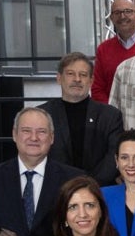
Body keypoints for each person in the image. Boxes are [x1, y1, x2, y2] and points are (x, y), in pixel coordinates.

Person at [0, 107, 83, 236]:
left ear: (52, 137)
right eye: (26, 131)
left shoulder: (74, 179)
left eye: (42, 132)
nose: (34, 138)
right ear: (14, 135)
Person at [39, 52, 123, 185]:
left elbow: (114, 157)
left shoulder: (111, 116)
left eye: (83, 75)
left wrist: (89, 186)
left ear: (91, 81)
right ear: (59, 78)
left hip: (100, 191)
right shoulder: (41, 115)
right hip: (55, 191)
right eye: (70, 74)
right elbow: (37, 154)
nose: (77, 79)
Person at [91, 0, 135, 104]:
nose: (123, 16)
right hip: (113, 117)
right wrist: (113, 114)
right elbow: (97, 89)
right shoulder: (103, 49)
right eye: (117, 12)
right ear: (111, 18)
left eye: (128, 11)